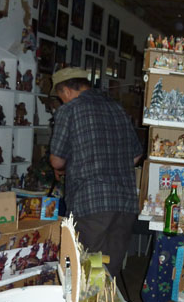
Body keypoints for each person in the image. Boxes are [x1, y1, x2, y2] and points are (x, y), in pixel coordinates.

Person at [50, 67, 142, 283]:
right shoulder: (117, 109)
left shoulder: (70, 110)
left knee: (90, 274)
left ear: (66, 91)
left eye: (61, 97)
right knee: (107, 272)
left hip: (92, 205)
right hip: (124, 204)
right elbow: (136, 155)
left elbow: (57, 160)